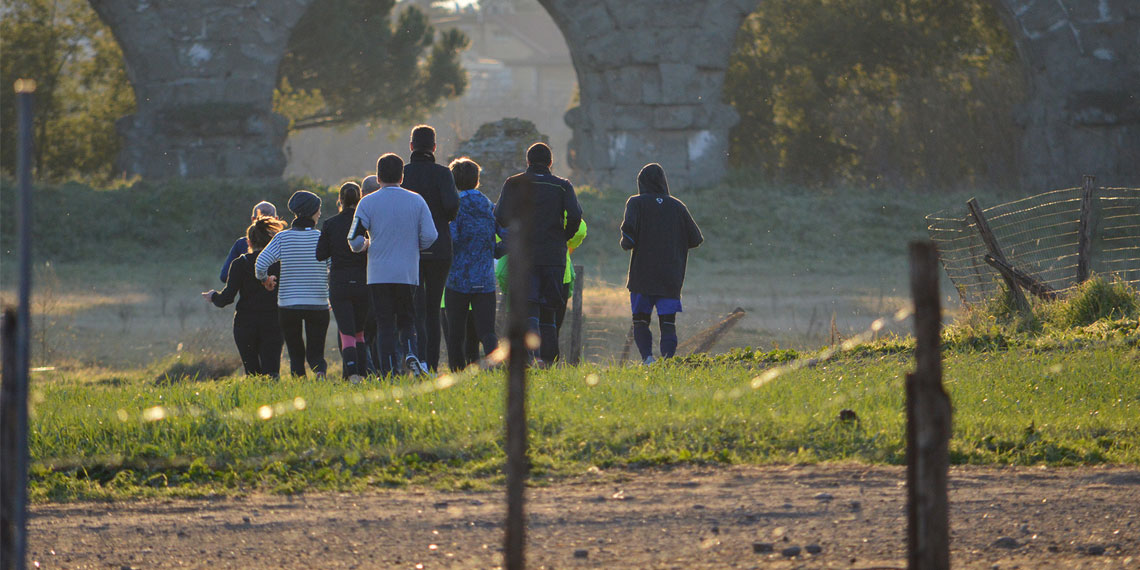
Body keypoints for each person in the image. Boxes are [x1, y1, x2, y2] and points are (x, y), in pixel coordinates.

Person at [349, 153, 438, 376]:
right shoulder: (416, 200)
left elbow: (354, 239)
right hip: (408, 271)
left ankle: (389, 369)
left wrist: (367, 244)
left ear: (378, 177)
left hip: (378, 273)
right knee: (407, 320)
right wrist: (414, 246)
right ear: (402, 175)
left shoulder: (366, 202)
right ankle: (410, 353)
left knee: (385, 323)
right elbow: (431, 235)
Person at [494, 142, 582, 365]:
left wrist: (517, 227)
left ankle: (531, 358)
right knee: (550, 310)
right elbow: (575, 215)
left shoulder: (513, 183)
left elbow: (500, 215)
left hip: (523, 254)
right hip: (553, 255)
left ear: (528, 161)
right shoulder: (562, 186)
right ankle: (549, 361)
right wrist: (563, 235)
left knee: (530, 305)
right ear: (551, 162)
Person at [620, 163, 704, 363]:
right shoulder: (677, 206)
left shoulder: (636, 203)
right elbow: (696, 239)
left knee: (640, 320)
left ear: (641, 183)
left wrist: (629, 241)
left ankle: (648, 360)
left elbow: (627, 240)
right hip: (671, 276)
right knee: (668, 323)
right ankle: (667, 362)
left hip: (643, 276)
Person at [401, 125, 459, 372]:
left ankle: (413, 358)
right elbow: (452, 208)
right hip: (439, 248)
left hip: (407, 249)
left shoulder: (402, 174)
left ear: (411, 146)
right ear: (435, 147)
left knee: (413, 308)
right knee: (433, 309)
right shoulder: (443, 174)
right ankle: (431, 365)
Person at [255, 190, 331, 377]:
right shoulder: (321, 237)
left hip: (288, 304)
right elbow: (333, 267)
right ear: (313, 212)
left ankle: (299, 384)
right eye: (318, 210)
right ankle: (320, 374)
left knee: (295, 352)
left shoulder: (282, 238)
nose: (320, 213)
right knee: (316, 350)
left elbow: (260, 263)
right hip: (318, 302)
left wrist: (265, 279)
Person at [202, 216, 287, 376]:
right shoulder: (280, 264)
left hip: (245, 324)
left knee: (252, 373)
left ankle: (254, 399)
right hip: (274, 322)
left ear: (248, 242)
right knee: (272, 372)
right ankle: (274, 400)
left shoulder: (240, 264)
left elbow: (226, 298)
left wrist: (213, 296)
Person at [443, 157, 499, 371]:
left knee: (455, 332)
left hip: (458, 277)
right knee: (487, 330)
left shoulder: (454, 207)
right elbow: (504, 234)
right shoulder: (489, 205)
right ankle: (494, 367)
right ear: (477, 180)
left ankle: (457, 373)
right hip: (484, 278)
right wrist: (492, 250)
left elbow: (452, 239)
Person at [316, 181, 371, 382]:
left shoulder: (330, 224)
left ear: (340, 199)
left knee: (346, 333)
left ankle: (353, 374)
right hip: (363, 280)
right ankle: (363, 375)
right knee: (359, 333)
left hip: (339, 283)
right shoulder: (365, 223)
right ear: (360, 199)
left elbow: (320, 255)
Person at [220, 201, 277, 283]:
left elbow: (225, 276)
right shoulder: (284, 243)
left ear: (253, 219)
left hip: (247, 294)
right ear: (276, 220)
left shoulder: (242, 244)